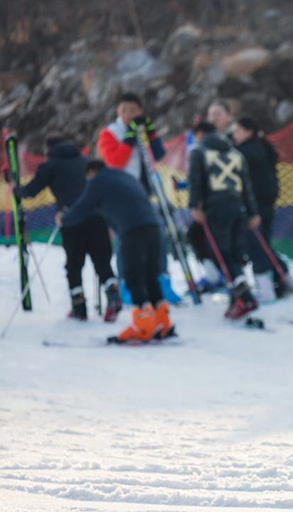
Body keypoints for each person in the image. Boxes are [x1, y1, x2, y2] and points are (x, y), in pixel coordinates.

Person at [59, 161, 175, 342]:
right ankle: (163, 320)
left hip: (132, 230)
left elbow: (84, 206)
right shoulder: (125, 176)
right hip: (153, 226)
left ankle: (143, 324)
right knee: (150, 275)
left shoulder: (98, 181)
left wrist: (64, 219)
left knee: (133, 275)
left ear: (91, 172)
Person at [14, 137, 121, 321]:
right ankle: (113, 296)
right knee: (102, 262)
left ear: (49, 148)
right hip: (97, 216)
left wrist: (16, 190)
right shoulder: (85, 161)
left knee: (74, 265)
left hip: (70, 218)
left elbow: (32, 190)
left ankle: (79, 307)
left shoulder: (50, 165)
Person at [98, 92, 182, 305]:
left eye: (133, 110)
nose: (128, 114)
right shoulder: (110, 132)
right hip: (122, 194)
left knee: (157, 237)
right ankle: (127, 283)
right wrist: (128, 139)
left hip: (146, 191)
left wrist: (151, 133)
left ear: (141, 112)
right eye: (124, 109)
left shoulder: (142, 131)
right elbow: (115, 161)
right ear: (118, 111)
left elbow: (159, 154)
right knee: (126, 240)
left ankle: (161, 281)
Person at [188, 121, 261, 318]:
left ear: (200, 134)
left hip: (216, 207)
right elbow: (247, 185)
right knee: (235, 253)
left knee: (221, 254)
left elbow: (196, 181)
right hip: (238, 208)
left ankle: (245, 297)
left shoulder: (199, 151)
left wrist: (194, 205)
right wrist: (253, 212)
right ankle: (235, 299)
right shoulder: (236, 153)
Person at [232, 116, 293, 301]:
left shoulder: (246, 151)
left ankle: (266, 287)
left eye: (237, 131)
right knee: (263, 242)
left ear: (248, 131)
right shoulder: (261, 145)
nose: (234, 135)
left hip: (256, 204)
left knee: (255, 243)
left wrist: (251, 209)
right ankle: (286, 279)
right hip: (266, 202)